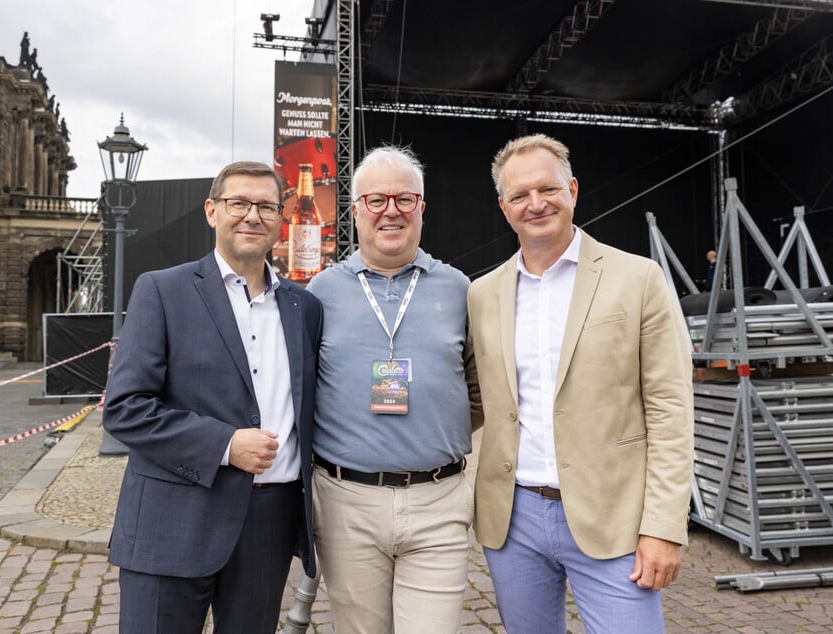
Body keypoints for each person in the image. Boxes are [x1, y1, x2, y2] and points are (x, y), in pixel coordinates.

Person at [468, 134, 694, 633]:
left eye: (547, 189)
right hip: (514, 520)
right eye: (520, 195)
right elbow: (475, 400)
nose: (536, 203)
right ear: (503, 207)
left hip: (613, 516)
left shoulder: (638, 279)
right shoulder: (482, 295)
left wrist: (663, 527)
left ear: (572, 189)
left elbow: (670, 412)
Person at [103, 161, 322, 633]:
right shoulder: (162, 290)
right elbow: (124, 409)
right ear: (212, 211)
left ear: (281, 217)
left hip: (269, 523)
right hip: (174, 517)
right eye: (238, 203)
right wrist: (225, 445)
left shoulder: (305, 307)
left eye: (265, 206)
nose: (252, 216)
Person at [307, 145, 482, 633]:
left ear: (422, 208)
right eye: (376, 200)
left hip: (438, 501)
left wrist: (431, 429)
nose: (391, 211)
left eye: (405, 199)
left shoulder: (460, 289)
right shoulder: (320, 293)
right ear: (356, 210)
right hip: (346, 502)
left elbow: (477, 388)